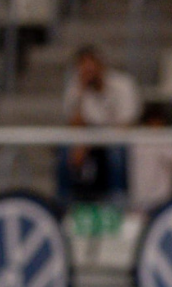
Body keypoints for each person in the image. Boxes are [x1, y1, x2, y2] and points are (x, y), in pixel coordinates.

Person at [59, 46, 143, 204]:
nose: (88, 72)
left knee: (116, 153)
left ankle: (119, 202)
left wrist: (101, 137)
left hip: (118, 138)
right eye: (84, 69)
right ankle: (65, 203)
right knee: (65, 151)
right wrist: (81, 93)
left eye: (92, 68)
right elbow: (74, 124)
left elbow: (128, 122)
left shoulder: (123, 83)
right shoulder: (76, 87)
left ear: (101, 66)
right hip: (90, 138)